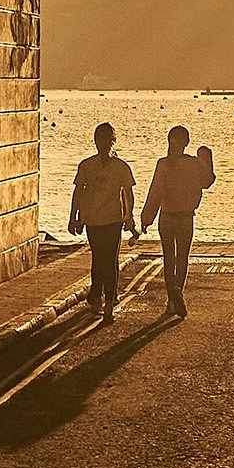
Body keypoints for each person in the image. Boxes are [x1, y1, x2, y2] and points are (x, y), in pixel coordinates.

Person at [67, 121, 139, 321]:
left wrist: (128, 215)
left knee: (103, 260)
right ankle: (102, 299)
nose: (102, 144)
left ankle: (103, 300)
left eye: (105, 140)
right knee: (104, 260)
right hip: (94, 220)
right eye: (100, 140)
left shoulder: (118, 167)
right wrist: (74, 217)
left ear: (110, 141)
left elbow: (127, 194)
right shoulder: (89, 166)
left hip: (110, 220)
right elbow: (78, 192)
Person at [142, 127, 216, 317]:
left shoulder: (164, 164)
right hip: (185, 217)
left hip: (166, 217)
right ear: (187, 142)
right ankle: (175, 296)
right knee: (182, 258)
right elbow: (207, 181)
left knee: (169, 258)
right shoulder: (193, 164)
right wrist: (205, 156)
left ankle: (172, 296)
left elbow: (155, 194)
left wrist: (146, 219)